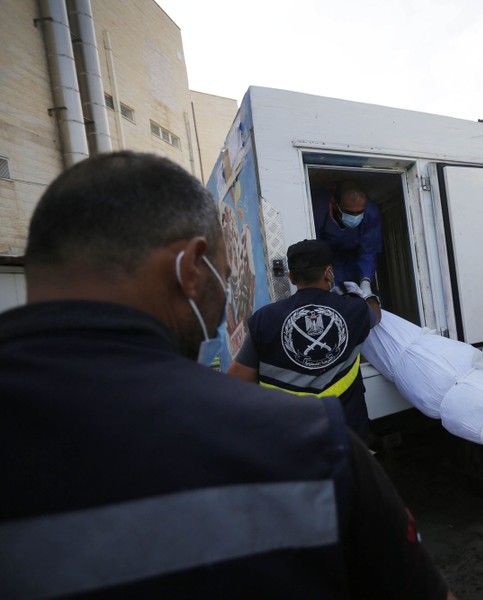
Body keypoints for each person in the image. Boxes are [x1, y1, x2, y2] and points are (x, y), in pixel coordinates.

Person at [0, 151, 452, 600]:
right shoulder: (317, 445)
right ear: (191, 269)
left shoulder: (263, 323)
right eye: (228, 272)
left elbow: (237, 380)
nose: (228, 291)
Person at [226, 239, 380, 441]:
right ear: (328, 272)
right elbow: (375, 315)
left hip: (289, 440)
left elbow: (235, 382)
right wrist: (368, 296)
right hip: (346, 438)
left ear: (291, 277)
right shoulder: (355, 310)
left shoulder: (264, 320)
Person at [312, 179, 383, 297]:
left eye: (359, 212)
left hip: (353, 262)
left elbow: (369, 250)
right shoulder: (317, 209)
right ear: (335, 203)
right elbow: (314, 249)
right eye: (349, 212)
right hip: (326, 260)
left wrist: (365, 282)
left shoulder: (371, 212)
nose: (355, 216)